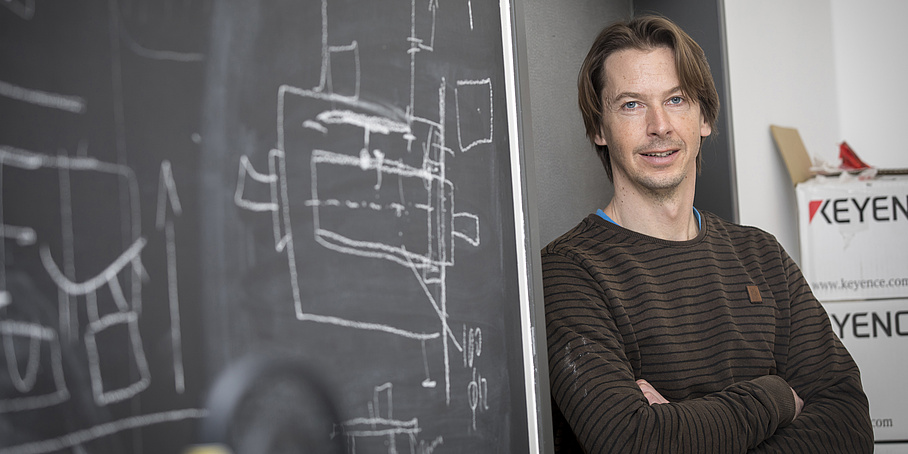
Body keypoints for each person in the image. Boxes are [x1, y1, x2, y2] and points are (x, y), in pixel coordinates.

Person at [542, 15, 873, 453]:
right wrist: (774, 397)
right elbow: (633, 442)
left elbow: (848, 426)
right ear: (598, 129)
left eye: (676, 99)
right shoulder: (568, 273)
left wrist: (685, 426)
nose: (659, 125)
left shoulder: (761, 255)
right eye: (631, 104)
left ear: (704, 118)